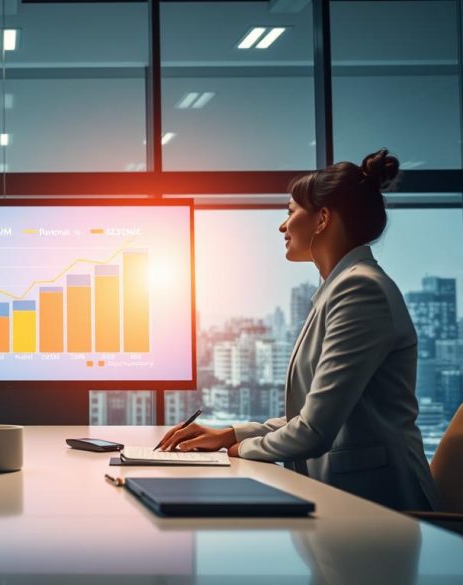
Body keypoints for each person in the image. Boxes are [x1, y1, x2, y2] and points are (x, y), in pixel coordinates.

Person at [158, 149, 440, 512]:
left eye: (290, 212)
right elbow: (307, 417)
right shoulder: (337, 289)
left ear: (322, 219)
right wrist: (230, 434)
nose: (282, 225)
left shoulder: (360, 291)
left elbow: (314, 430)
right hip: (346, 499)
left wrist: (237, 449)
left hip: (382, 506)